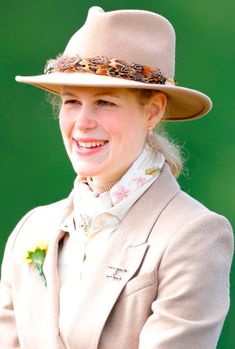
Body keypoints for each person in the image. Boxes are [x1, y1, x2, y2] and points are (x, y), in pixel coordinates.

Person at [0, 6, 233, 349]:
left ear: (152, 111)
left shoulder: (194, 235)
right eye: (71, 102)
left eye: (105, 102)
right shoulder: (31, 230)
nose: (82, 123)